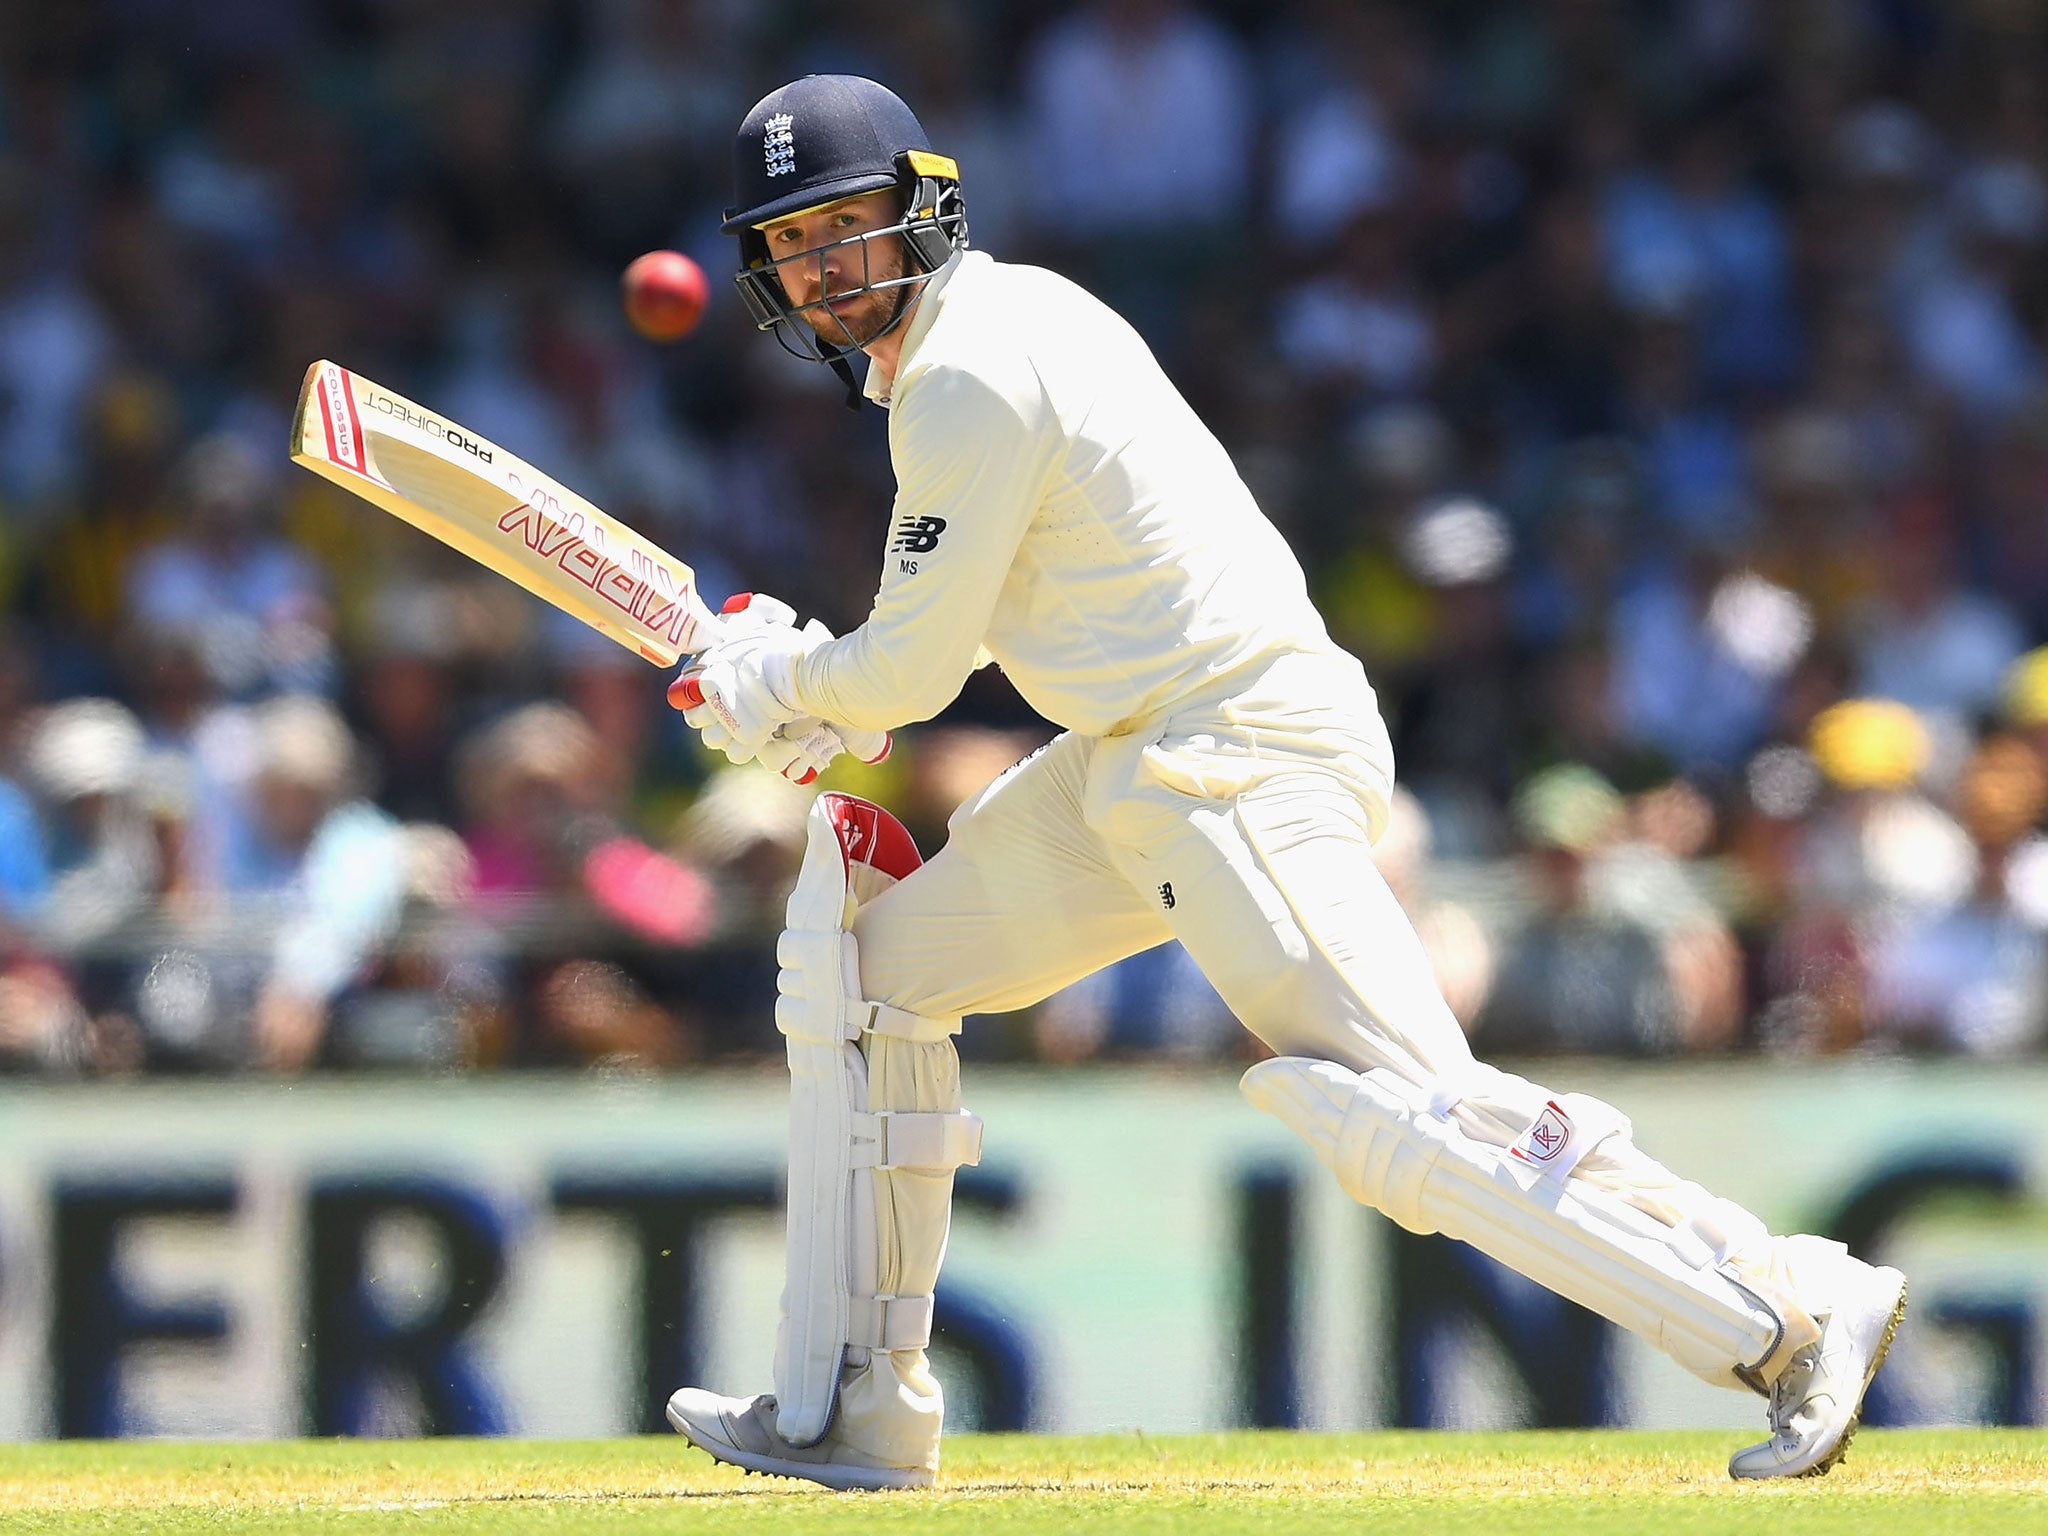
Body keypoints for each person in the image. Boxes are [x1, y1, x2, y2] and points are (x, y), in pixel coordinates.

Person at [662, 75, 1906, 1490]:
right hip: (1127, 764)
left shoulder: (971, 370)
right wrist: (795, 683)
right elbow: (906, 658)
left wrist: (779, 688)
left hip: (1227, 755)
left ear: (922, 209)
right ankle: (852, 1409)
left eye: (848, 228)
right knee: (869, 978)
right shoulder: (1002, 327)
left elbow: (905, 683)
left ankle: (1787, 1319)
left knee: (1408, 1117)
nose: (826, 270)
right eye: (796, 244)